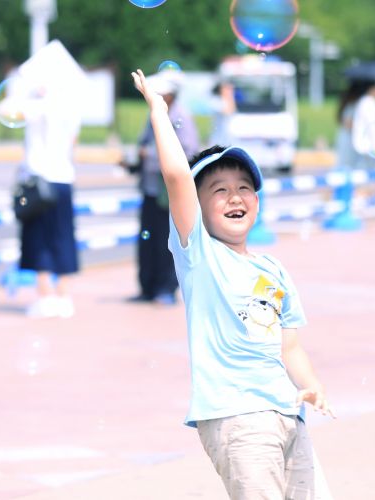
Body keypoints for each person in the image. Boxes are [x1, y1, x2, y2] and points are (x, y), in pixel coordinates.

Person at [131, 68, 336, 499]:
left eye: (245, 187)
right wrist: (158, 110)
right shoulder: (200, 255)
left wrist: (311, 385)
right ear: (198, 207)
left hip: (286, 412)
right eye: (219, 190)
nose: (235, 197)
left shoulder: (272, 270)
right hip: (238, 417)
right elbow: (175, 176)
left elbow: (289, 346)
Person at [129, 71, 199, 305]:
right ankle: (147, 287)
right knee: (147, 242)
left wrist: (147, 154)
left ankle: (165, 288)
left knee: (166, 243)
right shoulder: (154, 116)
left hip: (168, 193)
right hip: (150, 188)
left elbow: (186, 154)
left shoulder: (181, 117)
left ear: (170, 95)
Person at [16, 83, 82, 319]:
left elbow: (9, 111)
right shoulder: (72, 107)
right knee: (63, 237)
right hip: (63, 177)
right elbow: (73, 142)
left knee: (38, 238)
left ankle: (45, 297)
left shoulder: (37, 104)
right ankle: (64, 297)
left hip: (39, 179)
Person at [347, 79, 375, 170]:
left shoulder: (364, 101)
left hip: (363, 145)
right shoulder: (369, 102)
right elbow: (373, 127)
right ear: (371, 89)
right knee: (370, 175)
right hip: (368, 146)